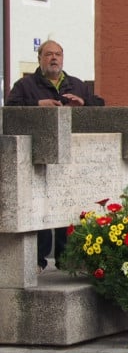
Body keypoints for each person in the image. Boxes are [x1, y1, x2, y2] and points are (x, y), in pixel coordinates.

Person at [6, 40, 105, 269]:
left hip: (70, 159)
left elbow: (100, 106)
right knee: (40, 211)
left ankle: (65, 260)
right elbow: (10, 111)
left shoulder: (76, 84)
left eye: (58, 54)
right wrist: (37, 104)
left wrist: (84, 103)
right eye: (49, 54)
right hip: (37, 159)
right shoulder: (25, 85)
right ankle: (39, 261)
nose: (54, 58)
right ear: (40, 58)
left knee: (68, 210)